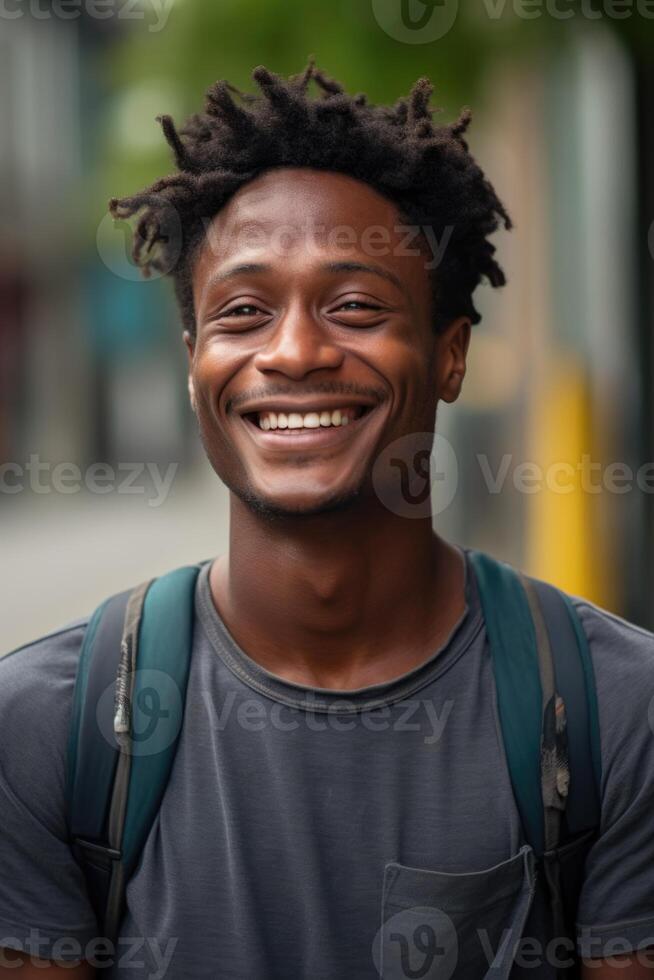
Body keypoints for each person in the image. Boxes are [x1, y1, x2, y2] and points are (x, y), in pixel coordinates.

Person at [1, 62, 653, 980]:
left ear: (450, 354)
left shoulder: (615, 713)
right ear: (195, 366)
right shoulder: (43, 730)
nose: (296, 350)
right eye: (243, 312)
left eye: (353, 305)